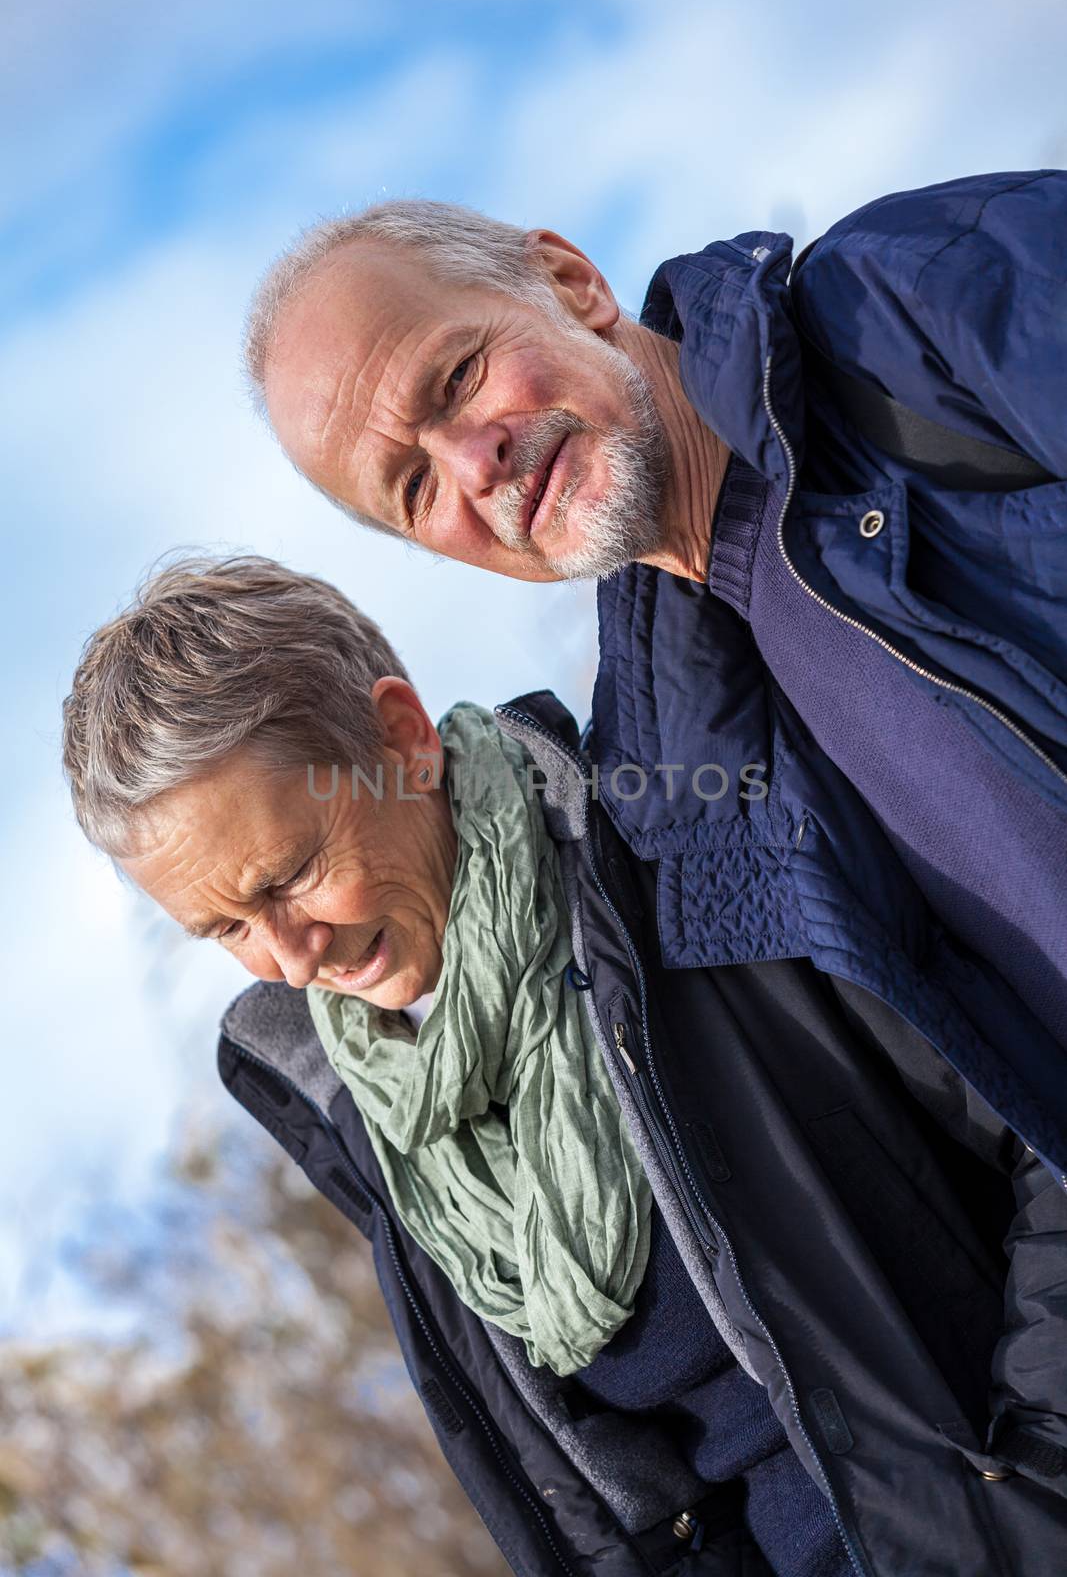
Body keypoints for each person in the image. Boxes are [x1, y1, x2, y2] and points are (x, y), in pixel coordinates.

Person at [64, 555, 1067, 1574]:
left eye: (292, 876)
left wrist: (1037, 1481)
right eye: (225, 926)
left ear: (403, 740)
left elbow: (1038, 1116)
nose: (289, 957)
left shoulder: (683, 846)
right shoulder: (370, 1118)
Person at [244, 175, 1067, 1206]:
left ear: (568, 281)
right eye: (414, 488)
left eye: (455, 377)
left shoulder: (908, 300)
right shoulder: (674, 794)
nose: (472, 463)